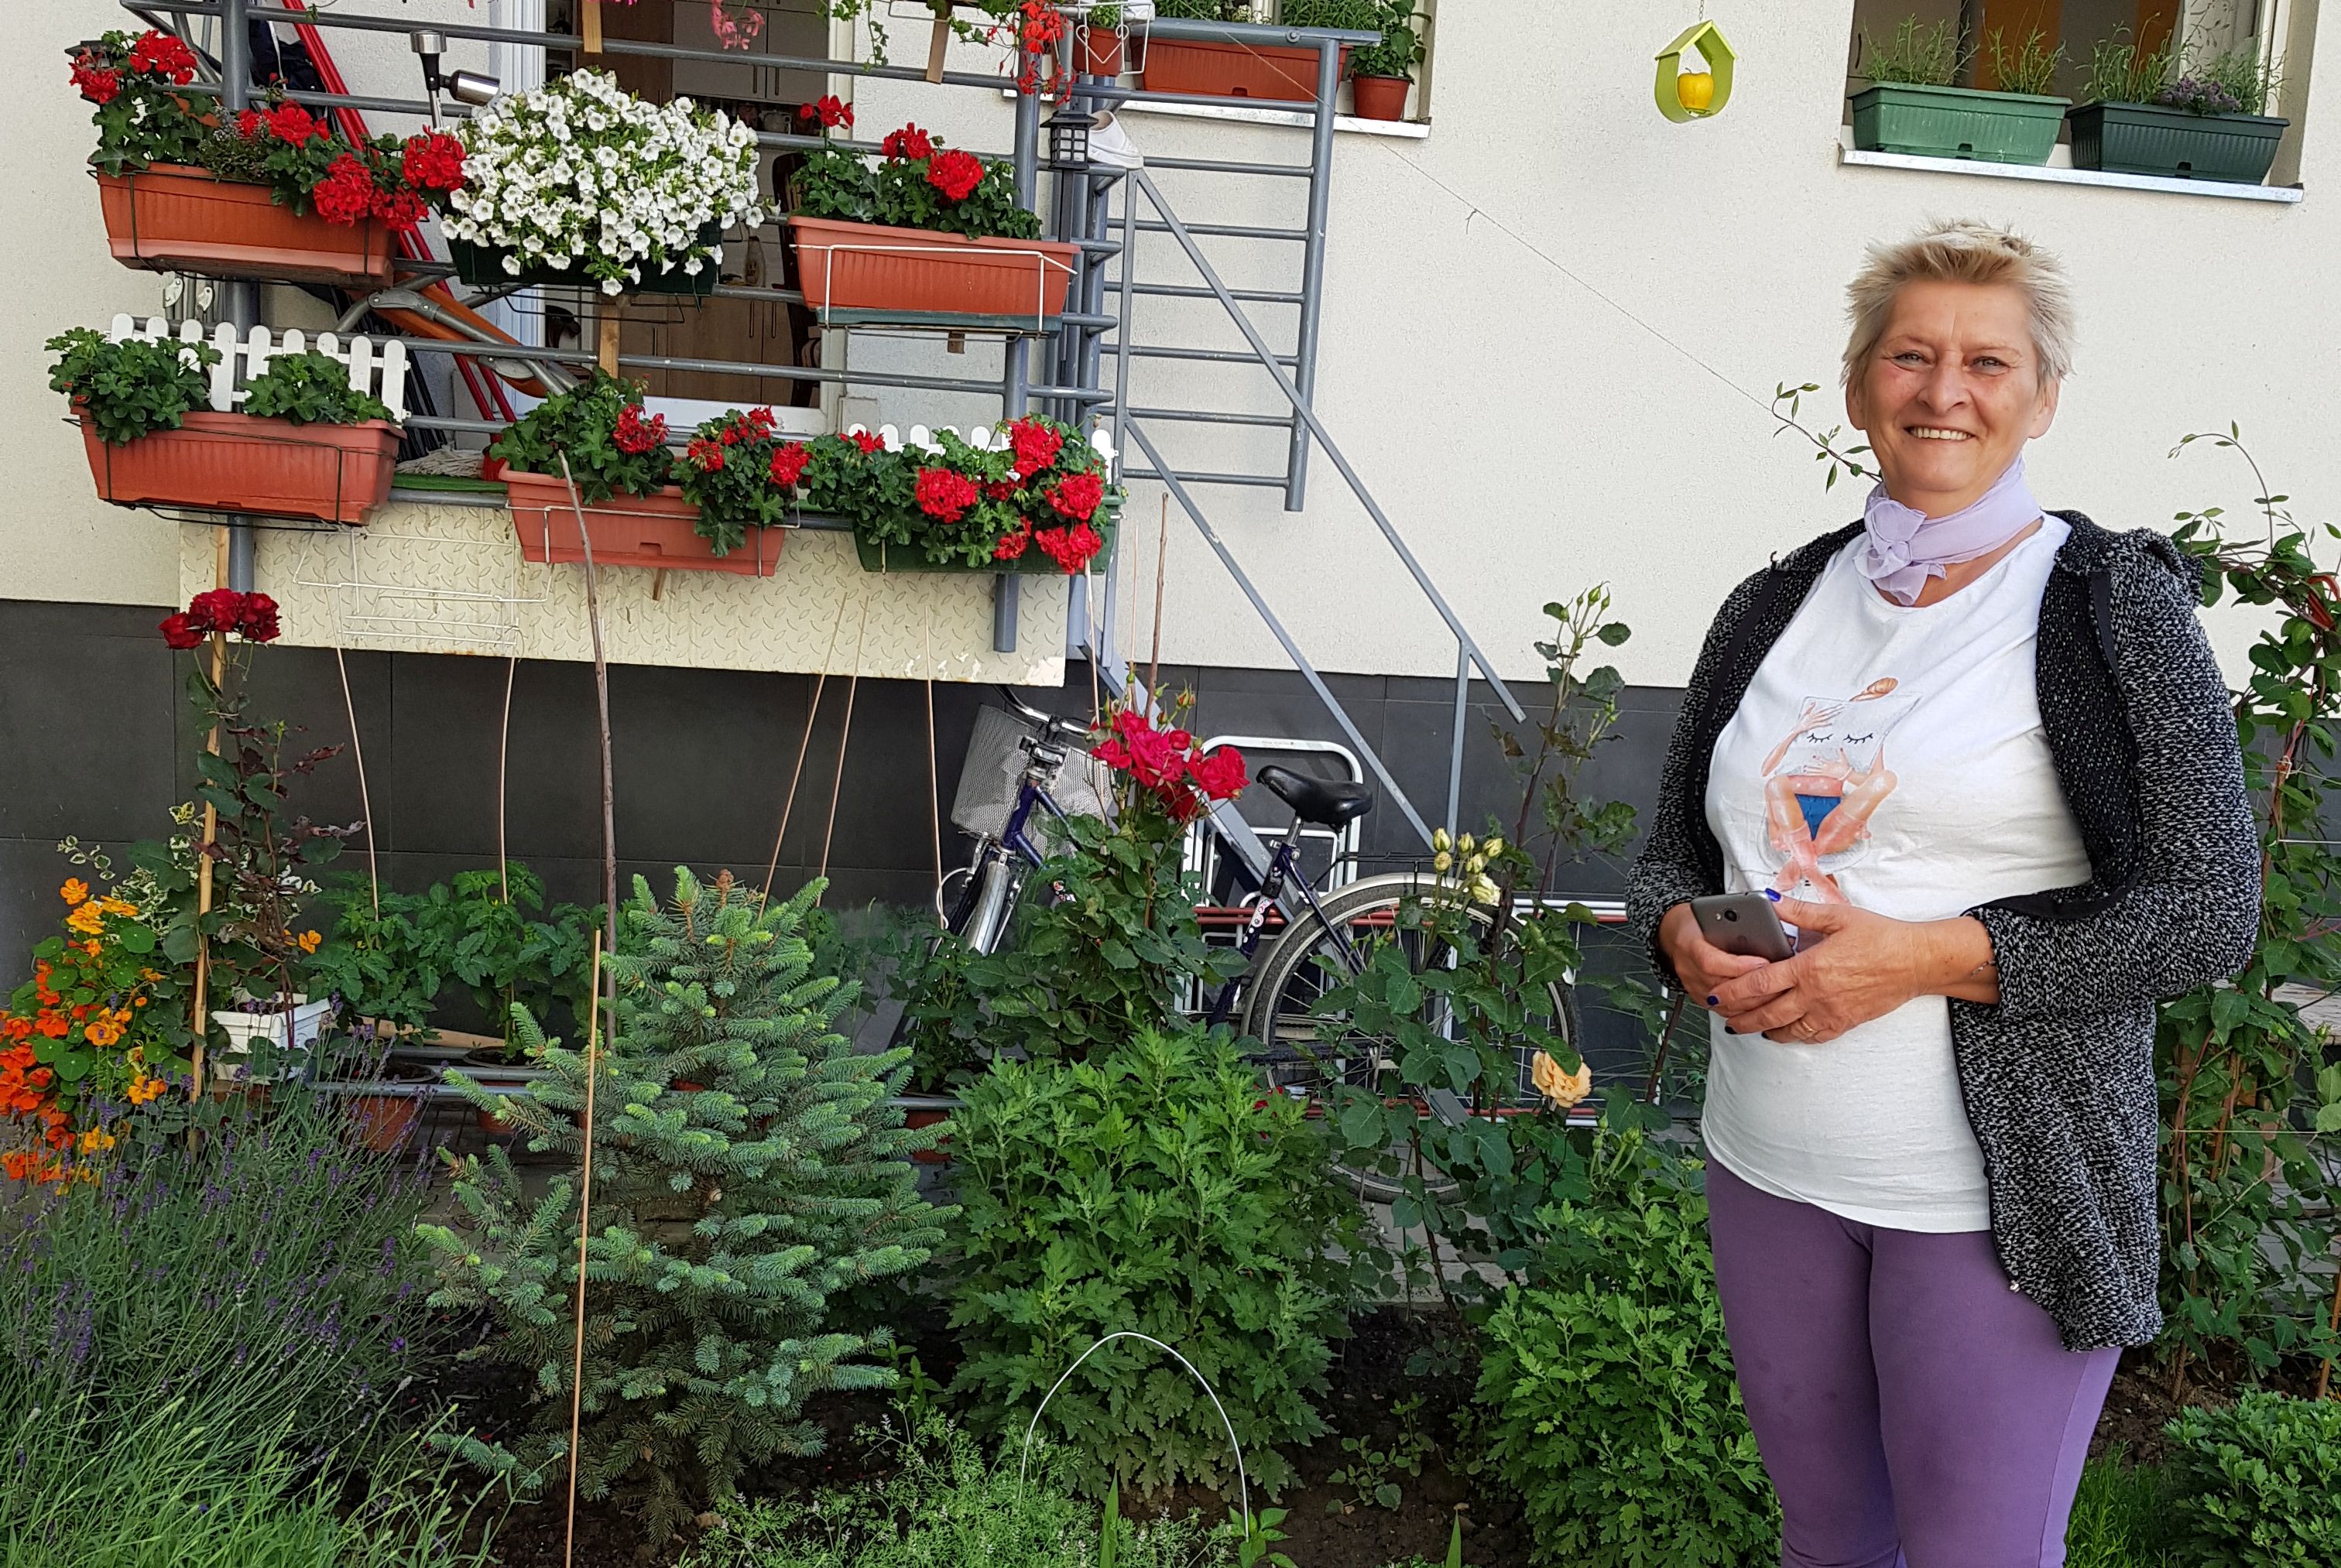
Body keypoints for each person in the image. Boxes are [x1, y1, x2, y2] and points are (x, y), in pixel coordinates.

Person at [1626, 220, 2260, 1567]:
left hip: (1992, 1195)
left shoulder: (2107, 606)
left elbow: (2208, 906)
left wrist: (1923, 957)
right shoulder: (1776, 602)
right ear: (1860, 387)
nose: (1944, 391)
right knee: (1828, 1545)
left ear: (2043, 396)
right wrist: (1679, 929)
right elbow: (1674, 853)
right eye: (1910, 356)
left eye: (1987, 361)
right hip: (1770, 1166)